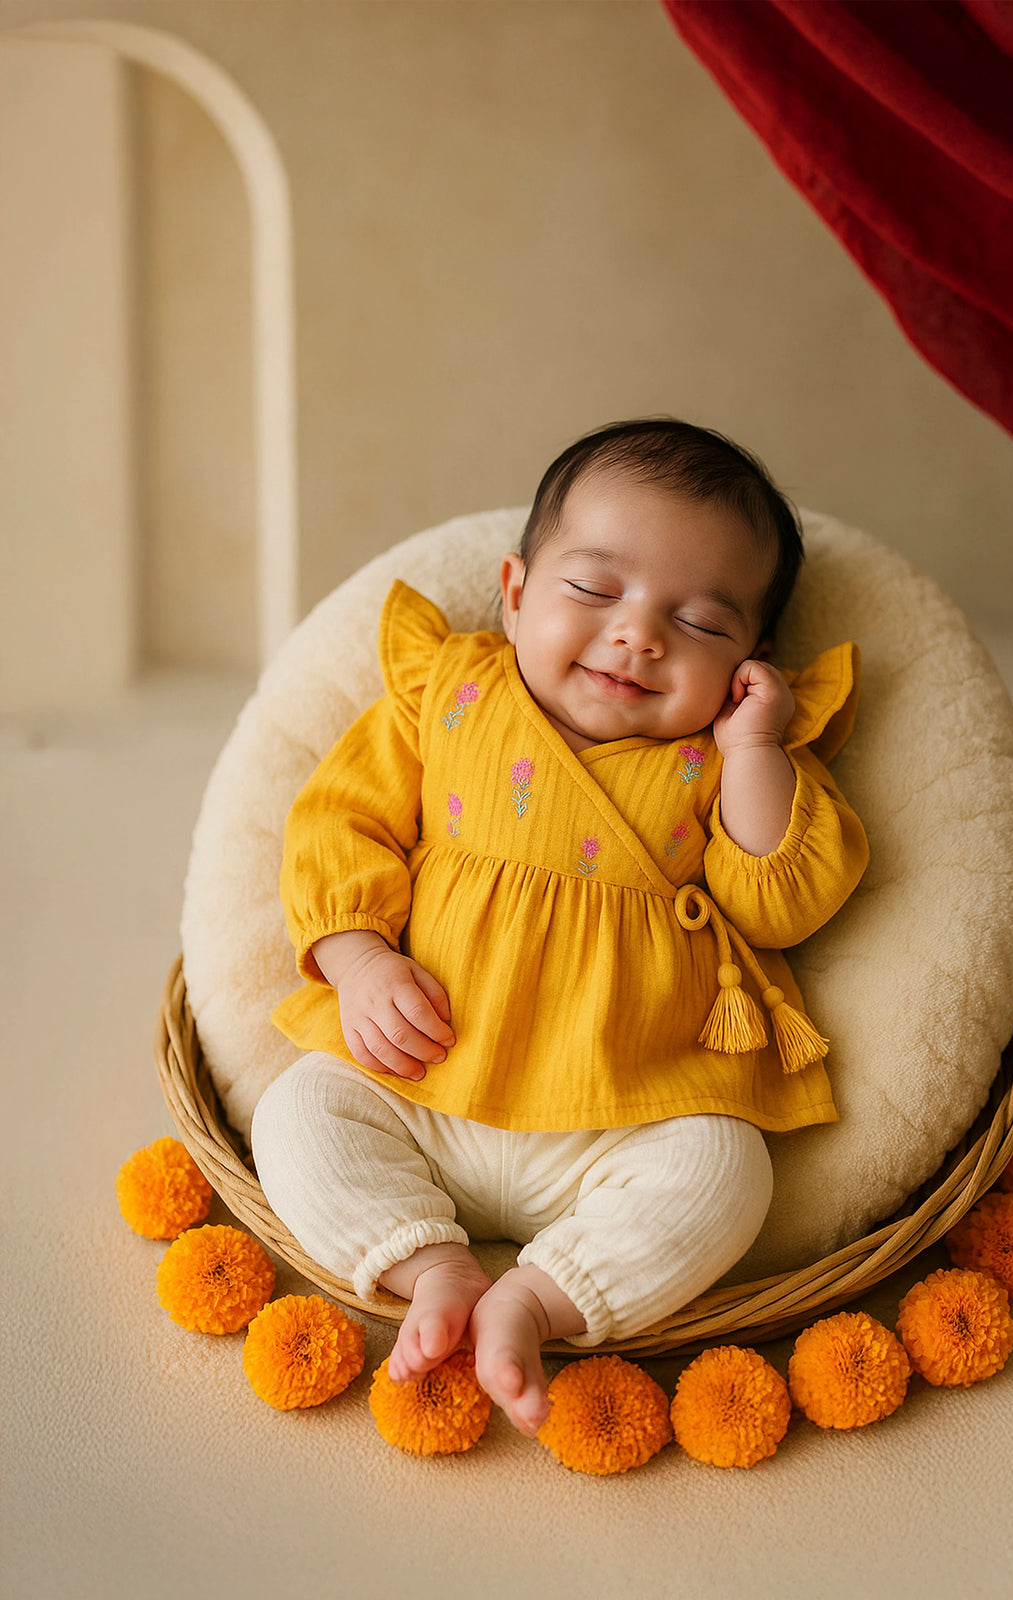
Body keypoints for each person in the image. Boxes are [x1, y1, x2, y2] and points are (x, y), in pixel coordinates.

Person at [252, 418, 868, 1435]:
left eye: (702, 623)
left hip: (624, 1109)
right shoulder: (446, 692)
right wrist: (358, 959)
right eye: (594, 589)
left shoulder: (726, 759)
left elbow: (779, 901)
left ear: (751, 661)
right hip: (423, 1076)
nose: (639, 635)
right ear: (516, 590)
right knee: (298, 1110)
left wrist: (757, 744)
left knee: (726, 1170)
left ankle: (537, 1298)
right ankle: (431, 1262)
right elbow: (339, 819)